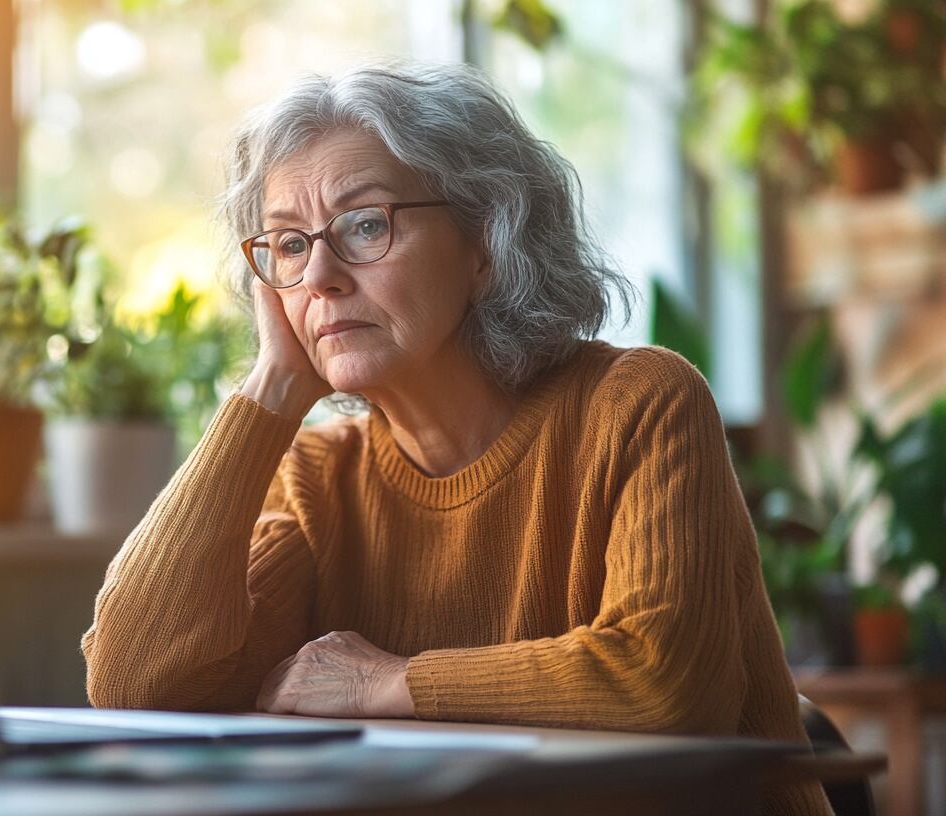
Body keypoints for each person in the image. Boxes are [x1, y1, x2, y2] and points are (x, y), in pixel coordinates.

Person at [82, 61, 830, 815]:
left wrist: (390, 682)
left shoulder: (637, 403)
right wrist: (271, 388)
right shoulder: (317, 476)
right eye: (288, 245)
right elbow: (133, 680)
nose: (320, 276)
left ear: (486, 242)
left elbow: (665, 684)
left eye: (366, 224)